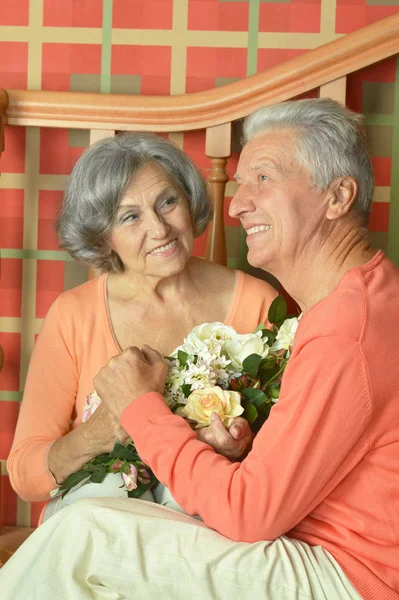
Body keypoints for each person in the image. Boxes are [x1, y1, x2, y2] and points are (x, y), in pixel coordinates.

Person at [1, 98, 398, 600]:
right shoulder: (356, 302)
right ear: (104, 238)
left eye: (264, 179)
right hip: (315, 544)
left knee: (86, 535)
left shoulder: (335, 324)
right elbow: (293, 464)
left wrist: (144, 410)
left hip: (347, 571)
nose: (236, 204)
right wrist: (105, 430)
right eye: (129, 216)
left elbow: (252, 506)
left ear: (338, 196)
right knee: (82, 527)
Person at [6, 132, 277, 522]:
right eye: (130, 216)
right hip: (100, 523)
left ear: (188, 200)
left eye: (167, 202)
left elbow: (289, 460)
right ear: (104, 236)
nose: (160, 228)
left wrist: (240, 448)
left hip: (207, 526)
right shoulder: (73, 315)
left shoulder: (257, 302)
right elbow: (25, 475)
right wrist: (95, 435)